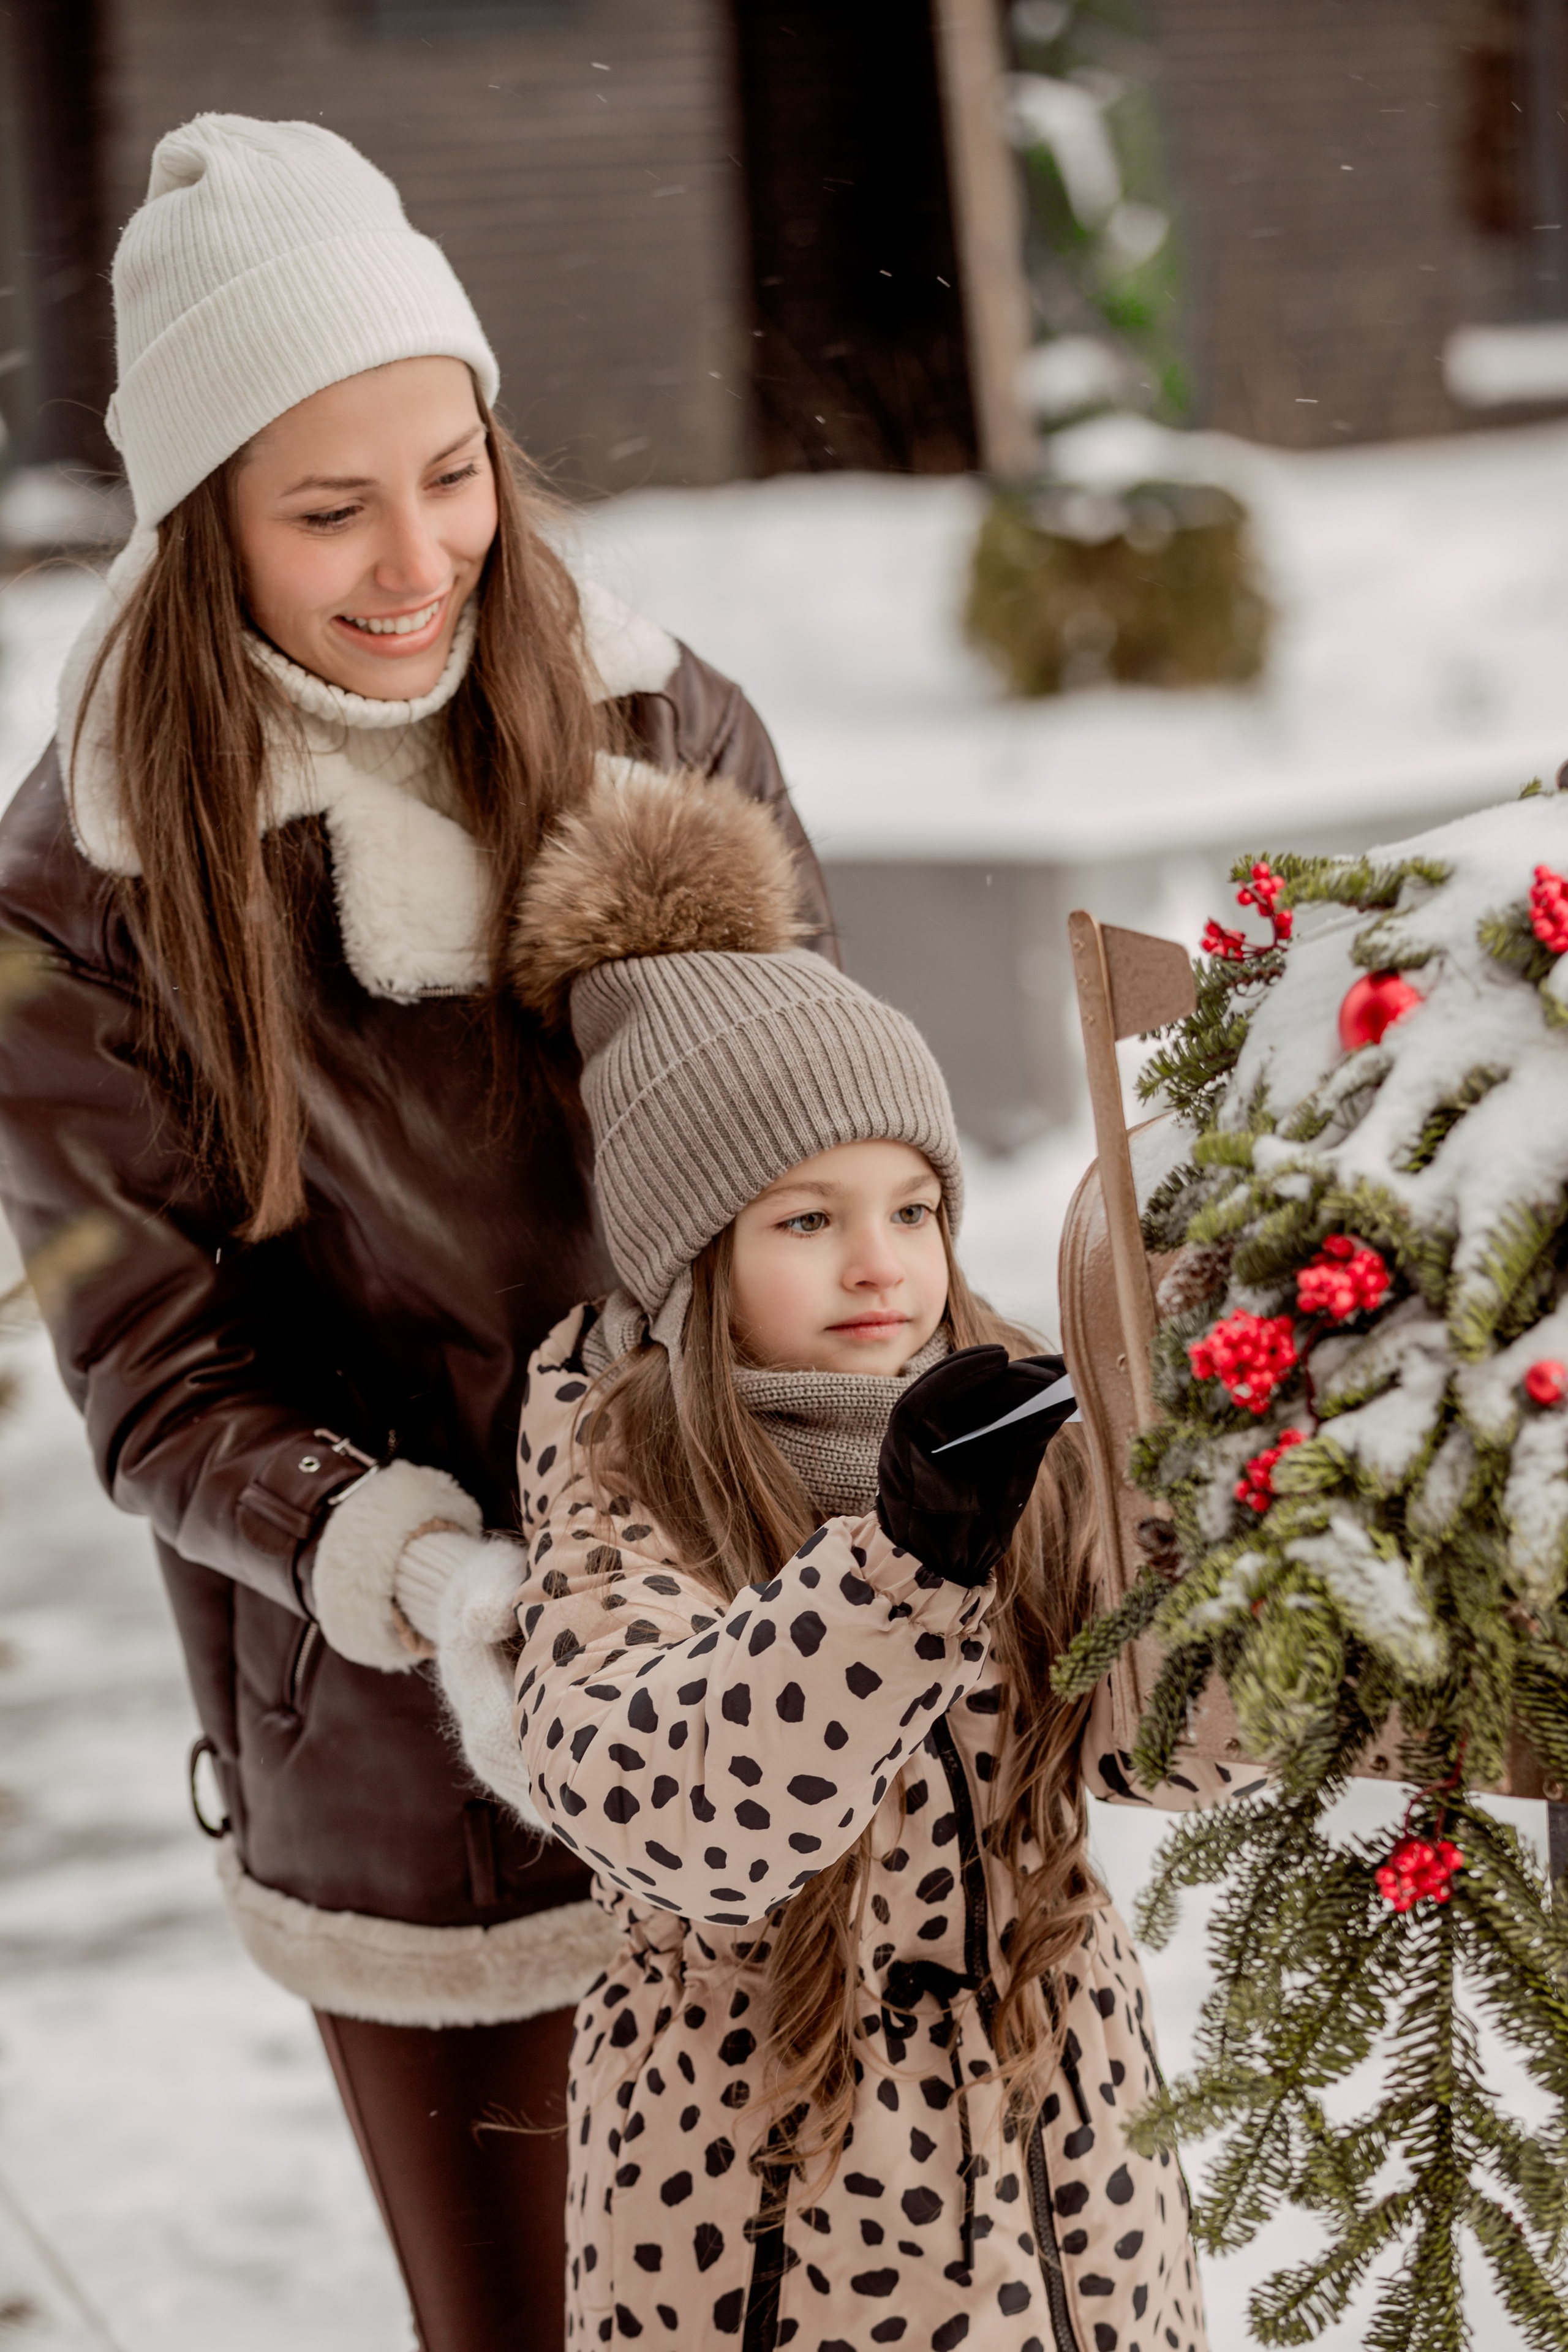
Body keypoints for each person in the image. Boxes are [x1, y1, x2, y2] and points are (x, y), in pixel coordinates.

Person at [0, 115, 834, 2351]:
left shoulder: (660, 725)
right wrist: (433, 1576)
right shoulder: (85, 895)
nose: (416, 559)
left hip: (760, 1679)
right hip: (409, 1742)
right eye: (327, 509)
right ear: (200, 528)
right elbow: (155, 1376)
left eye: (449, 472)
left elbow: (827, 1157)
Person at [413, 761, 1218, 2352]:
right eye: (806, 1220)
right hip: (772, 2225)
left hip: (1077, 2204)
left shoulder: (1003, 1415)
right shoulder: (625, 1467)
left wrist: (1230, 1521)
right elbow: (676, 1810)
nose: (882, 1263)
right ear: (692, 1255)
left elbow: (1159, 1748)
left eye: (913, 1207)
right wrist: (902, 1569)